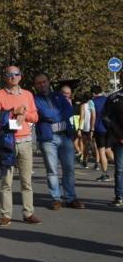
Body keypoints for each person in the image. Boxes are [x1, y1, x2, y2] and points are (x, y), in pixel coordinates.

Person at [0, 66, 41, 226]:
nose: (13, 77)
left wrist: (24, 114)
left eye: (16, 74)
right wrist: (13, 112)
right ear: (5, 77)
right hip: (7, 142)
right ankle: (6, 215)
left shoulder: (27, 94)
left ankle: (28, 212)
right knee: (6, 181)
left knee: (26, 181)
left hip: (25, 141)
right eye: (9, 74)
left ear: (21, 76)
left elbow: (35, 116)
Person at [33, 74, 84, 210]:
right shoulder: (35, 99)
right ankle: (56, 199)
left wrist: (55, 114)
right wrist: (58, 113)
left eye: (44, 81)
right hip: (48, 138)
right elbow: (44, 113)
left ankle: (71, 197)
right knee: (52, 170)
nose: (42, 85)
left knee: (69, 169)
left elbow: (68, 111)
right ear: (35, 85)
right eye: (39, 83)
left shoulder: (58, 96)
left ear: (48, 82)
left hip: (65, 136)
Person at [103, 73, 123, 207]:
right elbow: (105, 118)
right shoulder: (113, 98)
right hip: (120, 139)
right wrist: (119, 135)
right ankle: (119, 197)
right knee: (120, 169)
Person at [92, 85, 113, 181]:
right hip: (109, 128)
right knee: (108, 149)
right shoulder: (109, 99)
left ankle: (105, 174)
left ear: (93, 93)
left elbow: (93, 116)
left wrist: (91, 129)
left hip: (99, 128)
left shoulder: (92, 102)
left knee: (101, 151)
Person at [78, 92, 95, 169]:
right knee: (94, 144)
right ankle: (97, 162)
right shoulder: (93, 104)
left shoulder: (83, 105)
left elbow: (82, 117)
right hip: (93, 127)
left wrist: (79, 128)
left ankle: (85, 161)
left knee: (86, 145)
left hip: (85, 127)